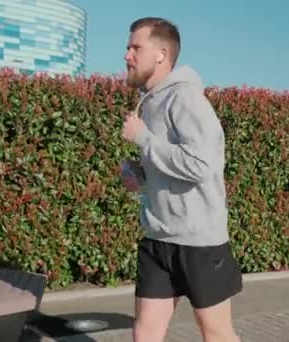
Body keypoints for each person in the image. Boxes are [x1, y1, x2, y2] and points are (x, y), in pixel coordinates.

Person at [119, 17, 242, 342]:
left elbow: (202, 164)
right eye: (127, 47)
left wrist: (144, 139)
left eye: (135, 48)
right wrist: (138, 173)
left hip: (198, 241)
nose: (127, 55)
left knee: (215, 333)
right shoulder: (149, 102)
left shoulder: (185, 99)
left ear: (161, 54)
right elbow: (168, 161)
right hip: (157, 236)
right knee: (145, 331)